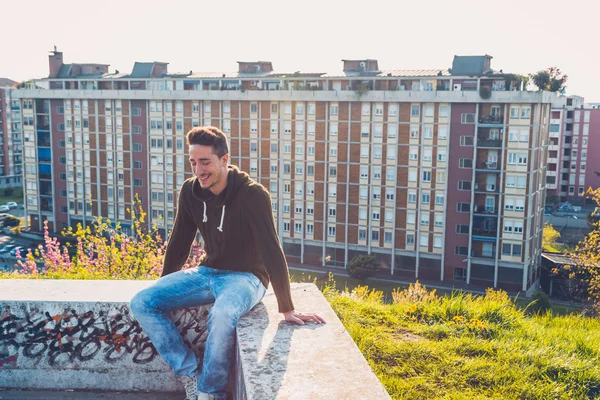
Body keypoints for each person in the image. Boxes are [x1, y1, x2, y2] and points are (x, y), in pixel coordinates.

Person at [130, 126, 325, 400]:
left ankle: (211, 393)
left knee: (222, 314)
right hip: (208, 271)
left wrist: (287, 307)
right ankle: (191, 373)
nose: (199, 170)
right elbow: (179, 241)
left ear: (224, 160)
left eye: (205, 162)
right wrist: (165, 283)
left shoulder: (252, 195)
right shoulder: (190, 191)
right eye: (193, 163)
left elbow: (271, 250)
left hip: (247, 278)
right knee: (142, 302)